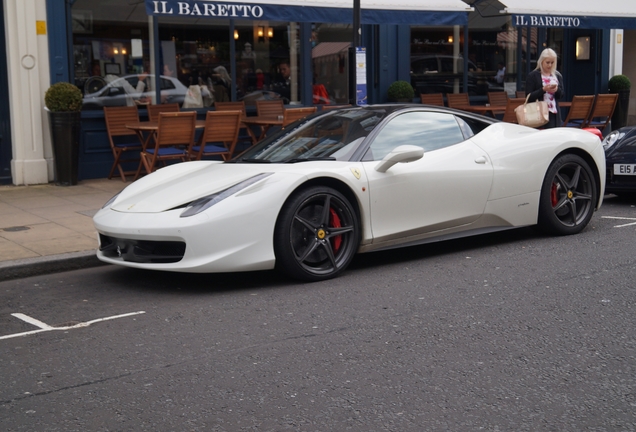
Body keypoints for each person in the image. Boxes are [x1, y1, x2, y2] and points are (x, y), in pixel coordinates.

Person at [525, 48, 564, 128]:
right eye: (547, 62)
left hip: (554, 115)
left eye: (552, 62)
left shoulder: (557, 76)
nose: (550, 65)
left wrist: (556, 90)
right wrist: (543, 90)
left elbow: (561, 95)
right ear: (541, 61)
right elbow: (529, 97)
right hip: (538, 114)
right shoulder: (533, 76)